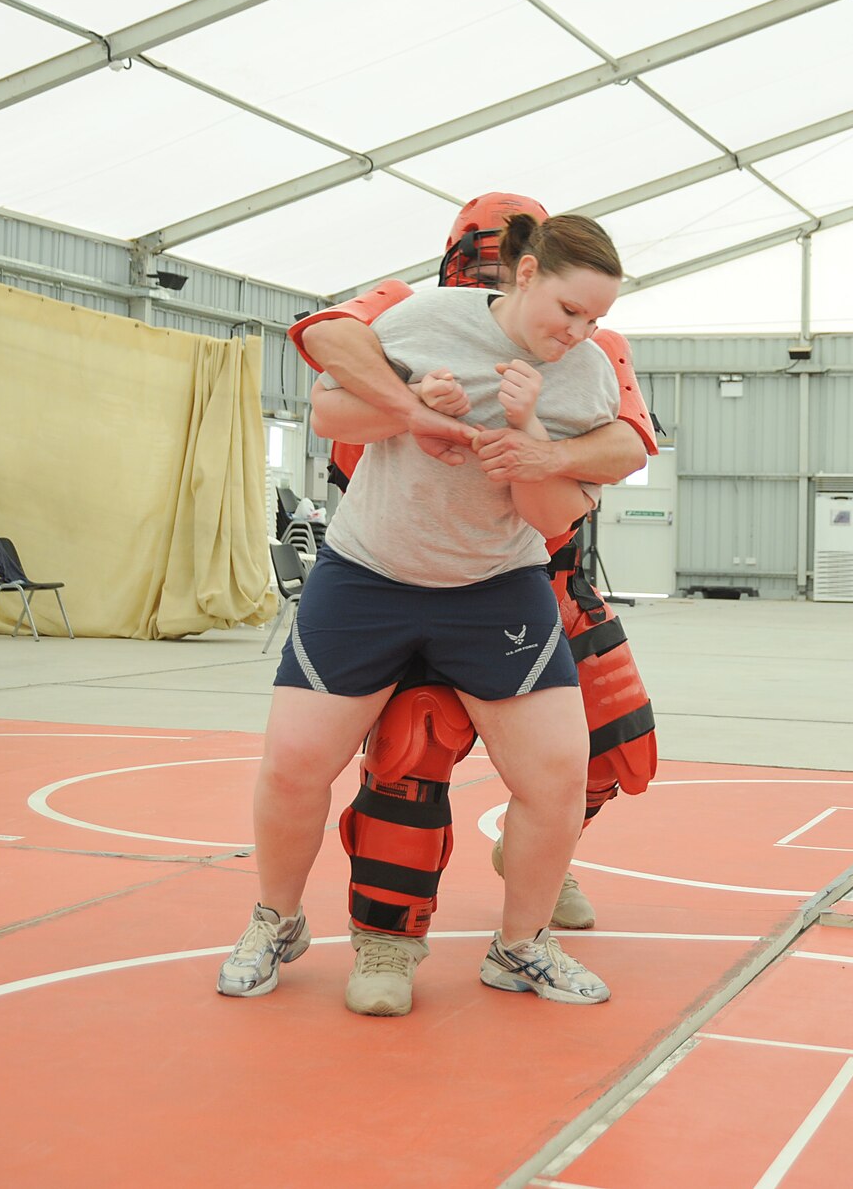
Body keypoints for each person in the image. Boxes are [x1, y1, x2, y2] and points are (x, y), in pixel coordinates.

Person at [218, 213, 627, 1007]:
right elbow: (331, 413)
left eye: (597, 320)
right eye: (570, 310)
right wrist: (409, 401)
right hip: (369, 571)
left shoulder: (586, 379)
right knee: (296, 762)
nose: (580, 332)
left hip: (494, 586)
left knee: (557, 775)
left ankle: (520, 946)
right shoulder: (425, 318)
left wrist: (528, 430)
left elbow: (550, 519)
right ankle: (277, 917)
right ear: (527, 272)